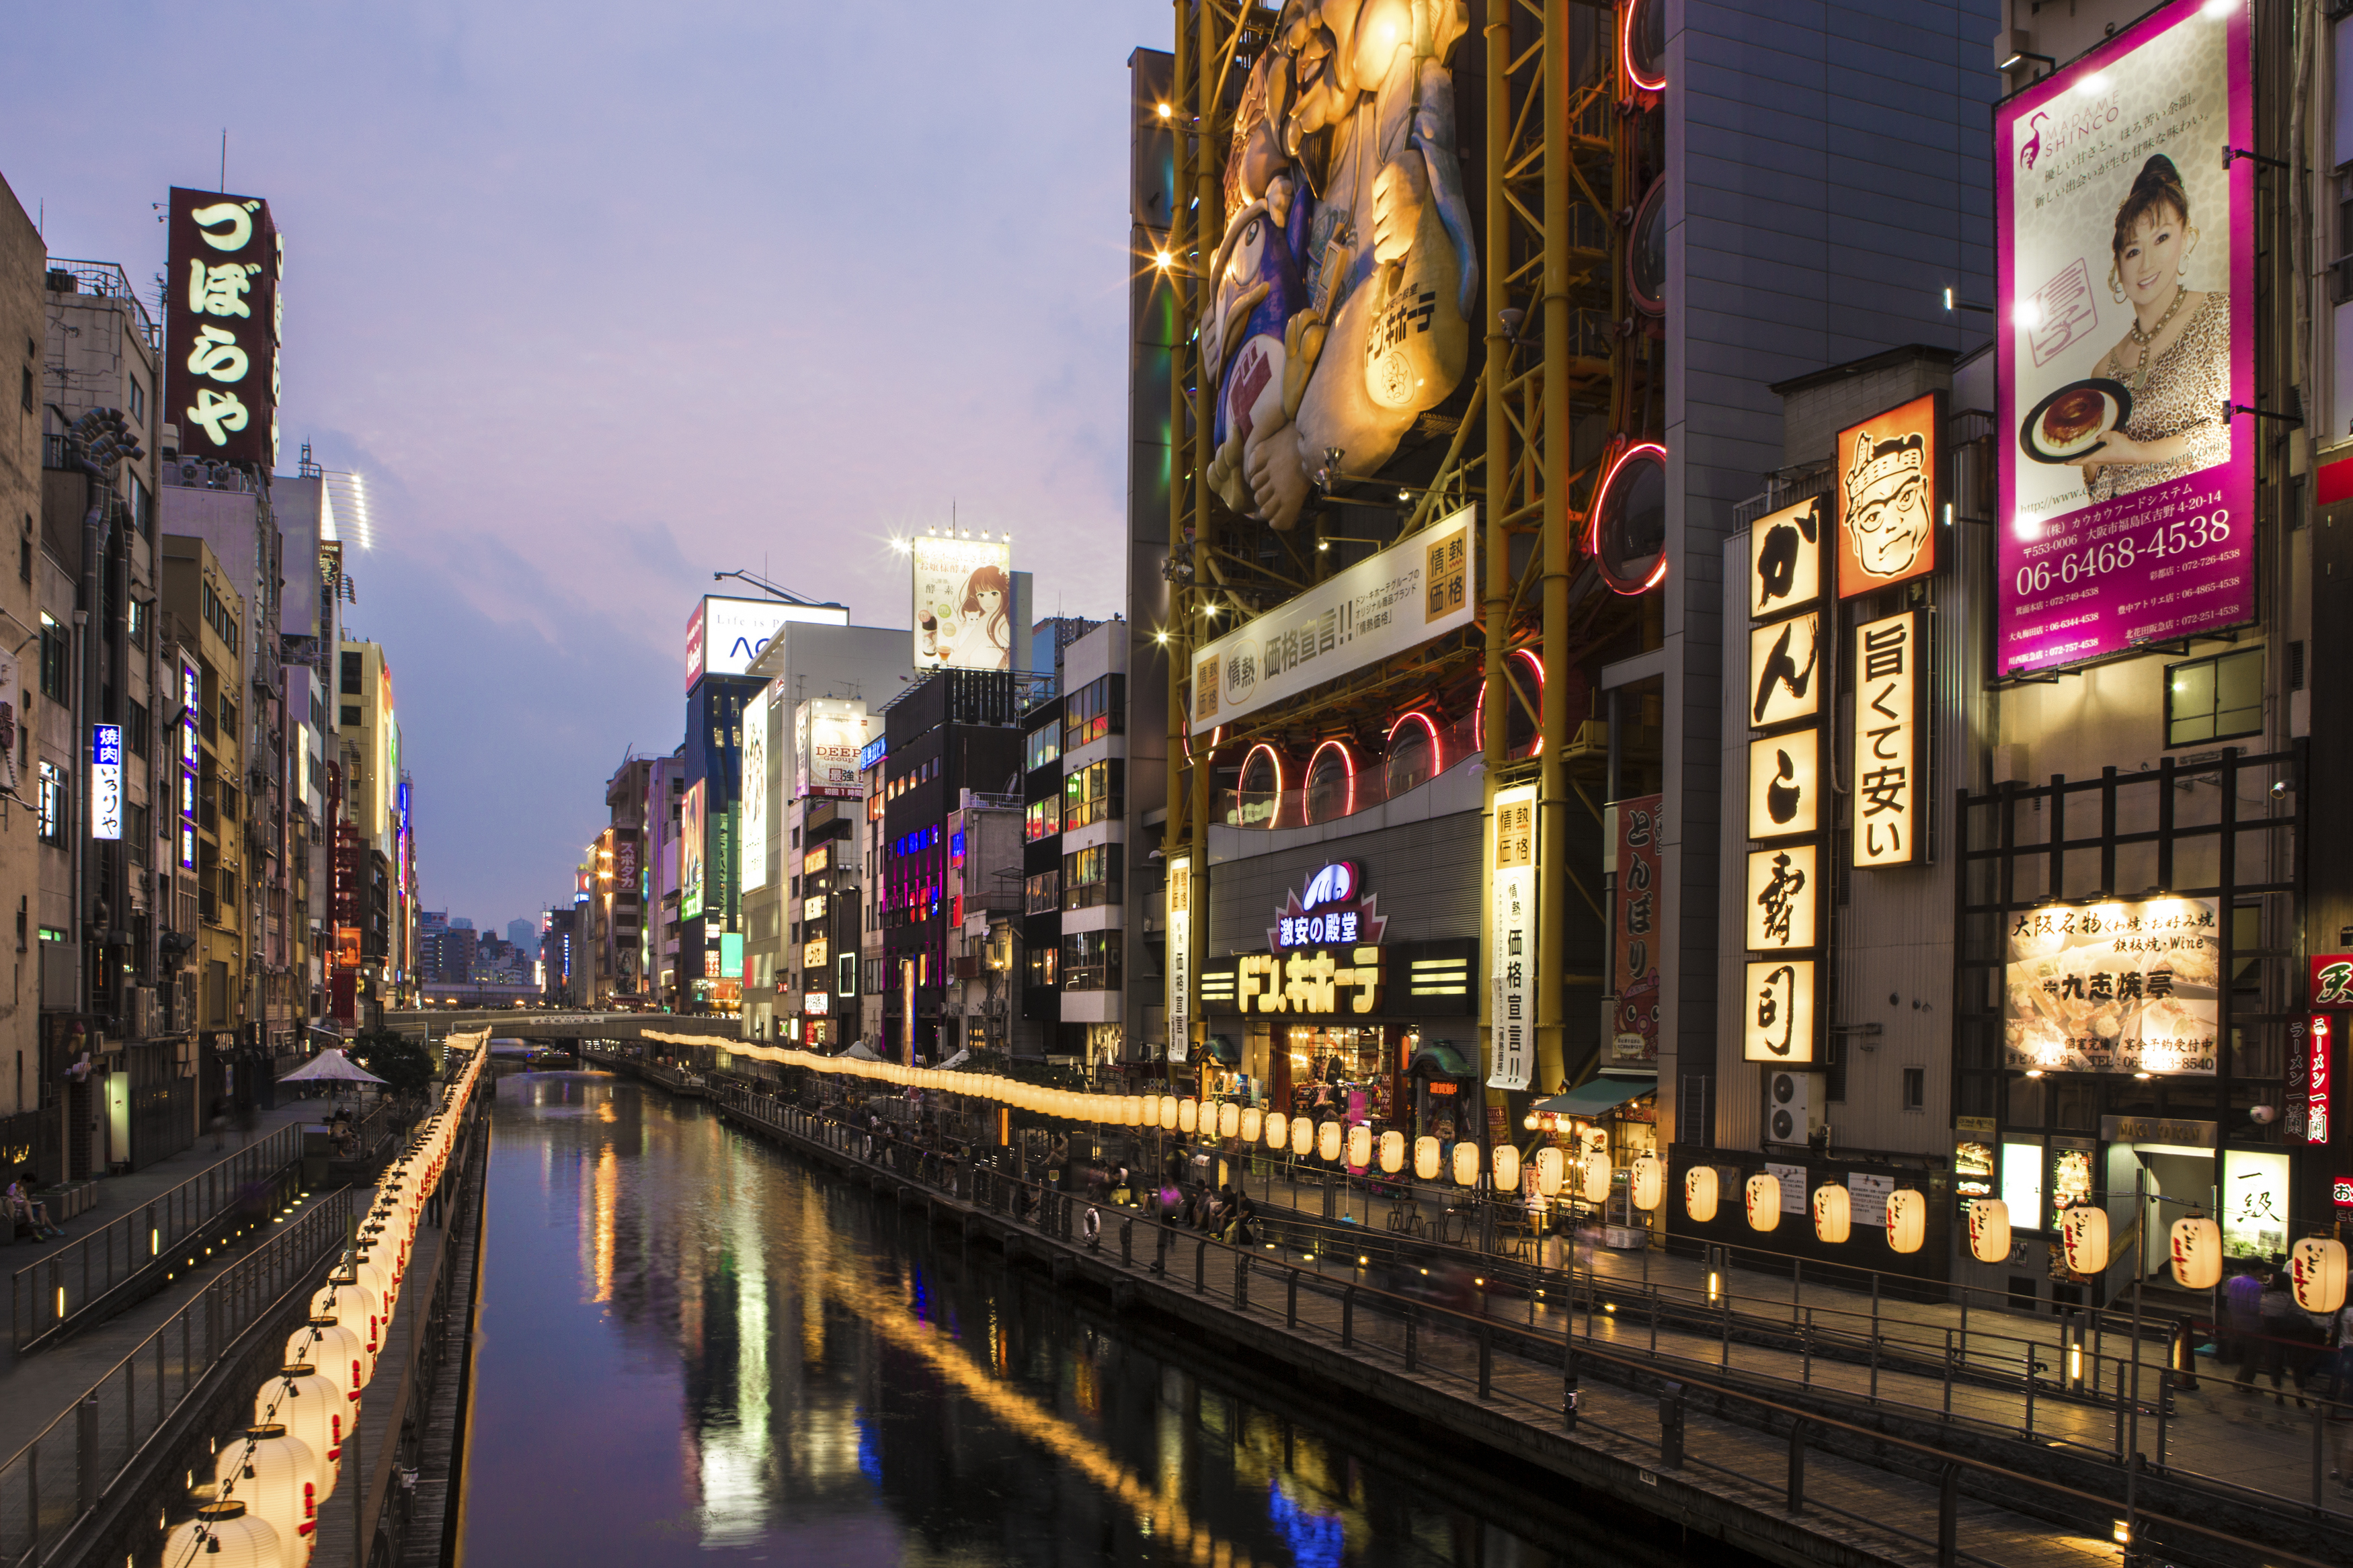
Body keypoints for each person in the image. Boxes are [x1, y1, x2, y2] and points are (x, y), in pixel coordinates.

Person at [2065, 153, 2231, 501]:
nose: (2147, 263)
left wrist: (2135, 453)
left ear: (2186, 237)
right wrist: (2092, 465)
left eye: (2162, 239)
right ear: (2117, 268)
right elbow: (2099, 492)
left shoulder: (2219, 316)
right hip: (2126, 544)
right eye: (2132, 251)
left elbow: (2227, 436)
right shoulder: (2105, 368)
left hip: (2200, 524)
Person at [6, 1168, 62, 1240]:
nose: (30, 1185)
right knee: (27, 1205)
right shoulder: (13, 1187)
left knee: (42, 1207)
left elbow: (23, 1199)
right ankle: (34, 1222)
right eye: (29, 1183)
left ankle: (42, 1227)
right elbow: (9, 1201)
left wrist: (30, 1201)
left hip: (24, 1205)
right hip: (15, 1206)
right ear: (24, 1181)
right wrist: (25, 1202)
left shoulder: (23, 1188)